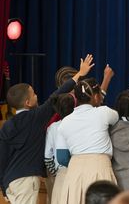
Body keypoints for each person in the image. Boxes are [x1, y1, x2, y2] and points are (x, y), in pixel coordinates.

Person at [0, 55, 94, 204]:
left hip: (10, 180)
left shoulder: (7, 125)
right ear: (27, 102)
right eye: (34, 94)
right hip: (26, 180)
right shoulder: (35, 117)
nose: (37, 95)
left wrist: (3, 186)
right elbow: (55, 96)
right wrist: (79, 75)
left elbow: (2, 157)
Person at [57, 77, 119, 204]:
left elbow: (62, 156)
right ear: (96, 97)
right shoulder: (104, 112)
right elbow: (116, 117)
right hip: (99, 166)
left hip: (74, 169)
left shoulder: (65, 122)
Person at [44, 93, 76, 203]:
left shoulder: (52, 128)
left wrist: (56, 173)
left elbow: (47, 157)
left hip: (61, 173)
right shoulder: (79, 124)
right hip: (78, 171)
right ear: (74, 107)